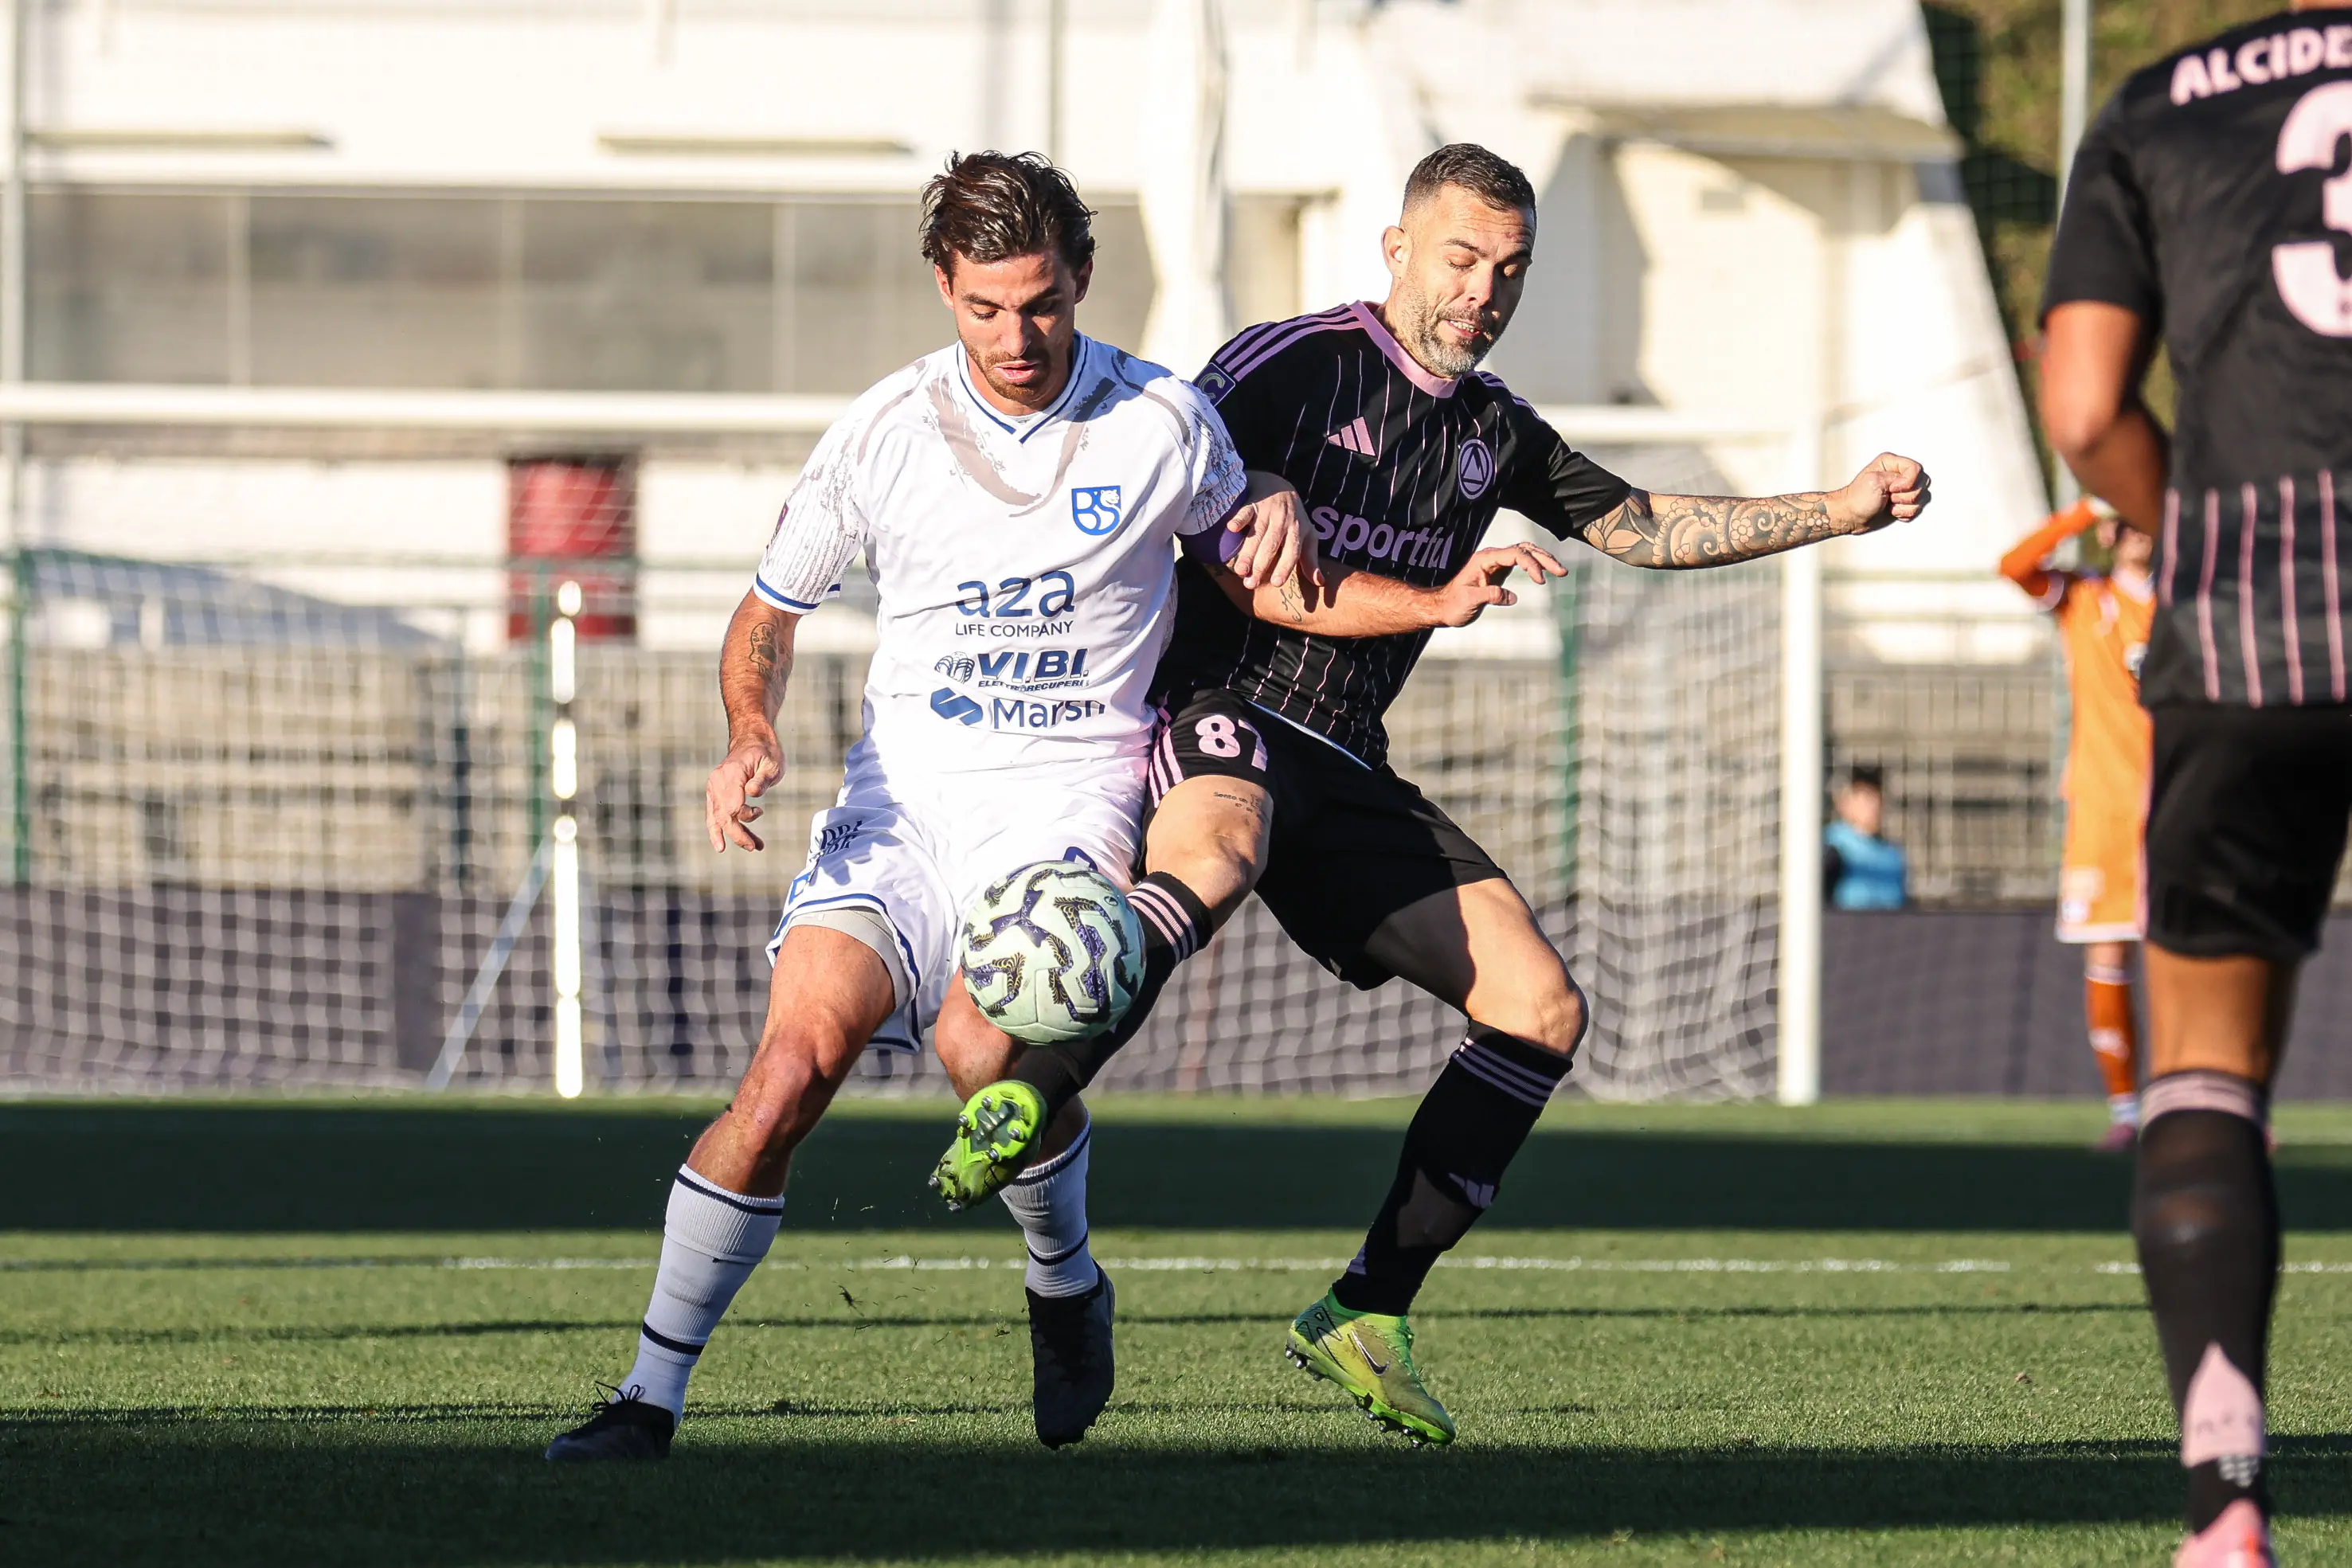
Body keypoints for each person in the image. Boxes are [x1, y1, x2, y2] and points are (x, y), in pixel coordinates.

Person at [933, 142, 1932, 1446]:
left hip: (1345, 758)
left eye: (1508, 269)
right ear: (1396, 248)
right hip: (1215, 708)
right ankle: (1035, 1080)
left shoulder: (1491, 433)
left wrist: (1839, 509)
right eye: (1460, 257)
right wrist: (1434, 592)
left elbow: (1639, 523)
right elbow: (1237, 566)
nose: (1483, 290)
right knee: (1224, 840)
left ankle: (1366, 1304)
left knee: (1540, 1004)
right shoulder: (1284, 366)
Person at [541, 151, 1322, 1461]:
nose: (1015, 337)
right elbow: (764, 614)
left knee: (980, 1052)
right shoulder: (881, 432)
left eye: (1041, 306)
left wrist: (1269, 497)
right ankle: (645, 1398)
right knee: (786, 1072)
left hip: (1063, 799)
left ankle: (1063, 1278)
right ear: (942, 287)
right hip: (897, 805)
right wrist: (746, 731)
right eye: (984, 308)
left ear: (1079, 279)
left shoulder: (1159, 422)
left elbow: (1242, 522)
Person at [2040, 6, 2352, 1560]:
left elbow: (2084, 409)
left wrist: (2187, 534)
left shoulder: (2162, 103)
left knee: (2209, 1070)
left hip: (2252, 624)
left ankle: (2225, 1498)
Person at [2001, 496, 2156, 1152]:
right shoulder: (2082, 599)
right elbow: (2014, 565)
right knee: (2105, 952)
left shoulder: (2190, 601)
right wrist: (2084, 509)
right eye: (2121, 518)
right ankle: (2127, 1110)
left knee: (2197, 959)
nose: (2132, 528)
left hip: (2182, 803)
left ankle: (2220, 1110)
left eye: (2140, 510)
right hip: (2101, 809)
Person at [1822, 764, 1908, 910]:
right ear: (1844, 802)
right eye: (1865, 797)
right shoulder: (1833, 847)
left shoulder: (1893, 855)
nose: (1873, 805)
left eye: (1876, 796)